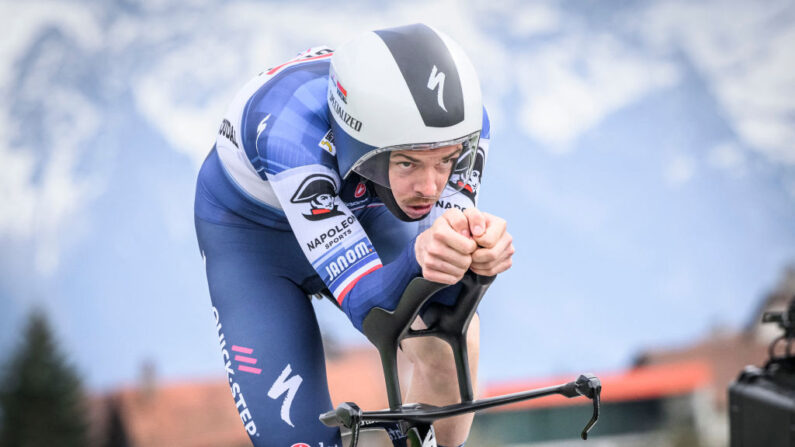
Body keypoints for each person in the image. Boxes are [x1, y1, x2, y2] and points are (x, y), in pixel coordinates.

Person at [194, 23, 514, 447]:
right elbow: (370, 307)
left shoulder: (462, 130)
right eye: (408, 164)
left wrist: (477, 256)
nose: (431, 186)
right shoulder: (292, 136)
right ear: (356, 142)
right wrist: (423, 257)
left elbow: (447, 270)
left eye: (445, 163)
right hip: (253, 244)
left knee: (450, 339)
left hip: (370, 211)